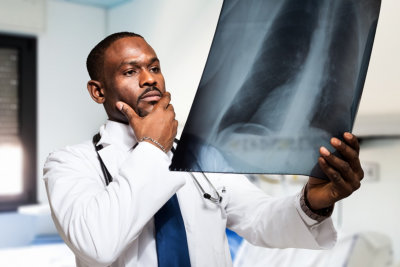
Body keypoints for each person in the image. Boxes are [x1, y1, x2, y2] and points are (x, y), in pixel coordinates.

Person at [43, 32, 364, 267]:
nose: (149, 80)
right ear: (98, 91)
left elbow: (258, 219)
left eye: (154, 68)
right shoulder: (70, 162)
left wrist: (312, 202)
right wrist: (153, 146)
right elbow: (97, 244)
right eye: (130, 71)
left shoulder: (201, 156)